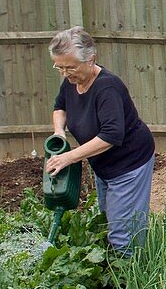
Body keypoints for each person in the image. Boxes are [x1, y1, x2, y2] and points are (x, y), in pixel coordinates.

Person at [44, 27, 155, 253]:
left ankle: (132, 282)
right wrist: (59, 133)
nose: (65, 73)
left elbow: (111, 136)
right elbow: (60, 107)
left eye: (70, 67)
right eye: (60, 67)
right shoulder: (72, 80)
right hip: (104, 166)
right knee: (109, 222)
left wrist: (69, 157)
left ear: (91, 59)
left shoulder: (107, 88)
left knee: (123, 234)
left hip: (129, 164)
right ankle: (118, 273)